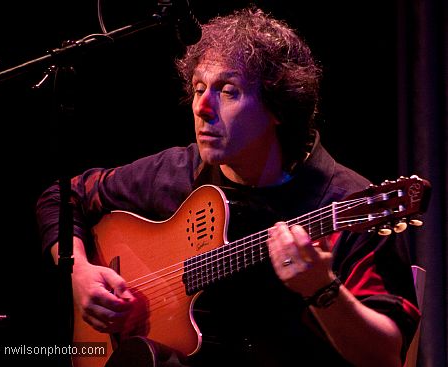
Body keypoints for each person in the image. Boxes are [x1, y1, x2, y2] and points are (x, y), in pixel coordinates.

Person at [36, 6, 420, 367]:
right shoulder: (177, 172)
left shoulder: (346, 203)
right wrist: (80, 274)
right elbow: (64, 195)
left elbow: (386, 356)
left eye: (227, 91)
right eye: (199, 87)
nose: (202, 107)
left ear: (278, 107)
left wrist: (322, 289)